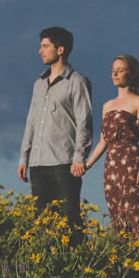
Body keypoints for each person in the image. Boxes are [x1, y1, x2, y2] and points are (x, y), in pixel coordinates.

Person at [18, 27, 92, 245]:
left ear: (60, 50)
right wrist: (24, 157)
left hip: (65, 162)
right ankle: (46, 269)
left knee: (70, 219)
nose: (40, 51)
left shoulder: (77, 82)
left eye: (45, 46)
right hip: (38, 163)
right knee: (41, 222)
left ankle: (78, 265)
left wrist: (80, 156)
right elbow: (30, 122)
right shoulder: (38, 84)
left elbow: (84, 121)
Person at [84, 54, 139, 238]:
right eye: (113, 71)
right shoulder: (106, 106)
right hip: (110, 166)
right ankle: (127, 256)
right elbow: (104, 141)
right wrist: (87, 165)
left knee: (136, 208)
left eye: (120, 71)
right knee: (117, 212)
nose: (115, 74)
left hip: (130, 161)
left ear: (132, 74)